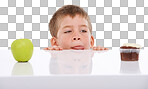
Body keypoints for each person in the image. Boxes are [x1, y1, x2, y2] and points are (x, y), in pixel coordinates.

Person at [43, 5, 108, 51]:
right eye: (68, 31)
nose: (77, 36)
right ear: (55, 43)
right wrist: (49, 54)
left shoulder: (95, 57)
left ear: (91, 41)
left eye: (83, 31)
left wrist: (101, 55)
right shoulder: (53, 59)